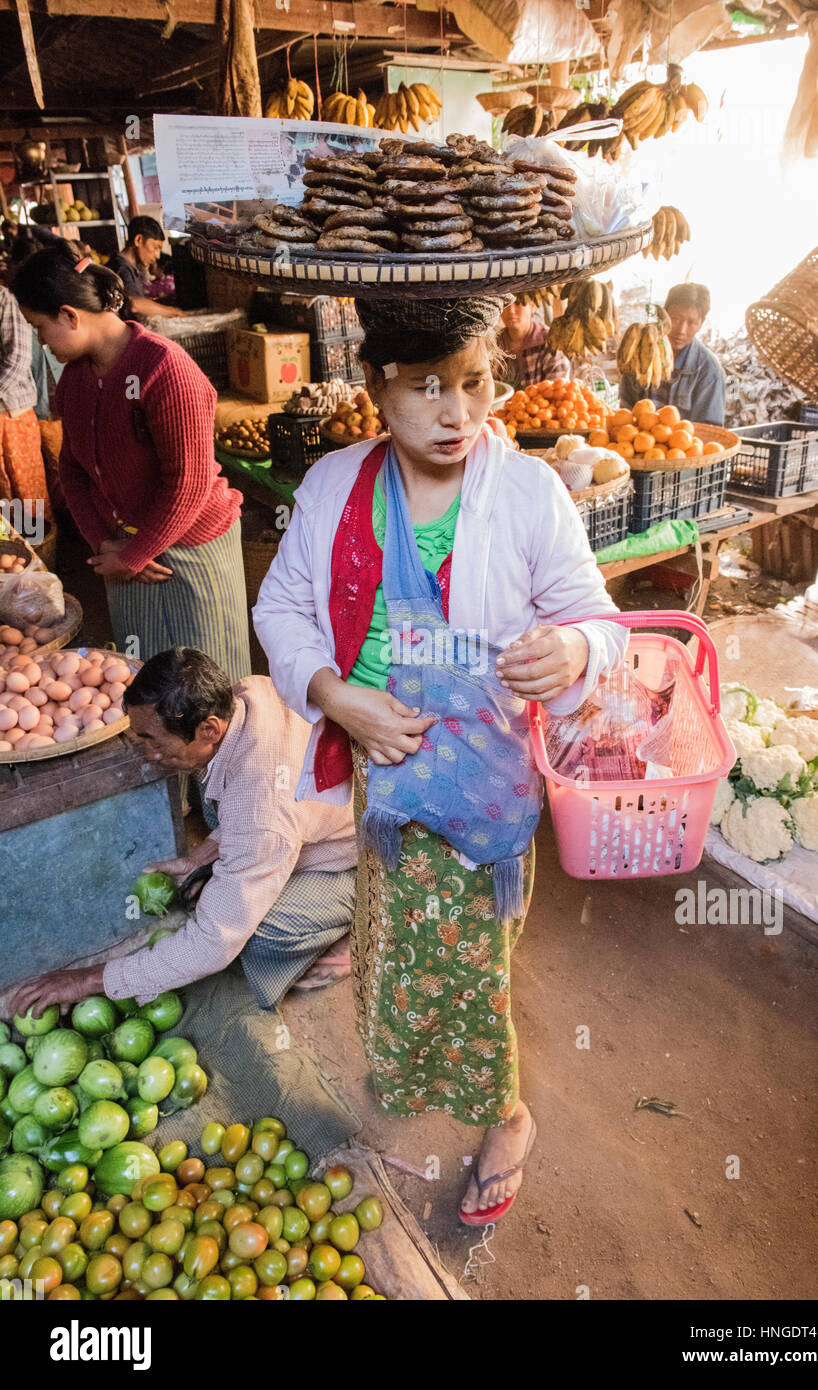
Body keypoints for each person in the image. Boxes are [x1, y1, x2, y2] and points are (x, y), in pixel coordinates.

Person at [253, 294, 627, 1224]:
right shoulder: (339, 483)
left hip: (484, 780)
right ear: (379, 387)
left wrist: (575, 650)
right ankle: (410, 1061)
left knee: (471, 963)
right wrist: (337, 698)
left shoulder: (528, 492)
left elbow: (595, 615)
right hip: (385, 770)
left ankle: (505, 1116)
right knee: (391, 940)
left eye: (475, 383)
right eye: (428, 387)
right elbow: (283, 607)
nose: (458, 412)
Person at [7, 648, 358, 1017]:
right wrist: (202, 856)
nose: (148, 753)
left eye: (153, 740)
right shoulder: (246, 696)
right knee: (211, 799)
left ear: (209, 728)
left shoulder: (263, 811)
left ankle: (352, 924)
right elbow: (254, 813)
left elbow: (213, 943)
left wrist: (89, 980)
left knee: (261, 932)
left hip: (352, 856)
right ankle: (257, 869)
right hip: (300, 813)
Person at [11, 244, 250, 681]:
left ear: (70, 315)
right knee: (147, 678)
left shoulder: (164, 369)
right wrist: (106, 543)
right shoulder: (76, 381)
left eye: (40, 328)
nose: (41, 342)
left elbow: (189, 482)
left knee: (211, 683)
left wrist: (138, 552)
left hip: (192, 545)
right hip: (123, 550)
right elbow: (74, 471)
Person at [620, 283, 726, 426]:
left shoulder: (709, 370)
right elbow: (625, 411)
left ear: (701, 323)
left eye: (691, 322)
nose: (681, 330)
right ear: (664, 315)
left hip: (682, 446)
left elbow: (709, 430)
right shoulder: (639, 354)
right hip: (638, 443)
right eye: (675, 319)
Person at [0, 283, 52, 517]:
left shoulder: (4, 299)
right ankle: (9, 550)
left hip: (12, 413)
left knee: (26, 493)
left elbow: (18, 358)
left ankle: (39, 551)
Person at [108, 215, 186, 320]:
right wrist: (173, 311)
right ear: (138, 240)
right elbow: (134, 304)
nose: (158, 255)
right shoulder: (121, 268)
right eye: (155, 247)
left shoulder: (129, 267)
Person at [498, 298, 570, 390]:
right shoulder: (493, 344)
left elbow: (558, 391)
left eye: (518, 302)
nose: (511, 310)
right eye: (506, 303)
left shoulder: (551, 342)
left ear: (532, 306)